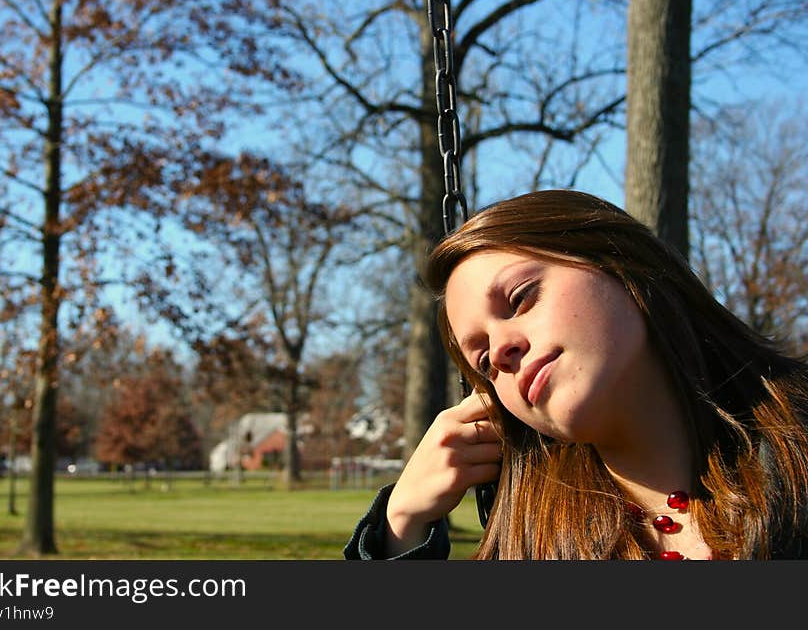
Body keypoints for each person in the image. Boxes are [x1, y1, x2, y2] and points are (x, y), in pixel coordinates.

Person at [344, 189, 808, 560]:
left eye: (521, 298)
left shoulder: (795, 448)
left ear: (618, 262)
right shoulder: (527, 545)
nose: (502, 351)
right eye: (482, 361)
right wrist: (400, 528)